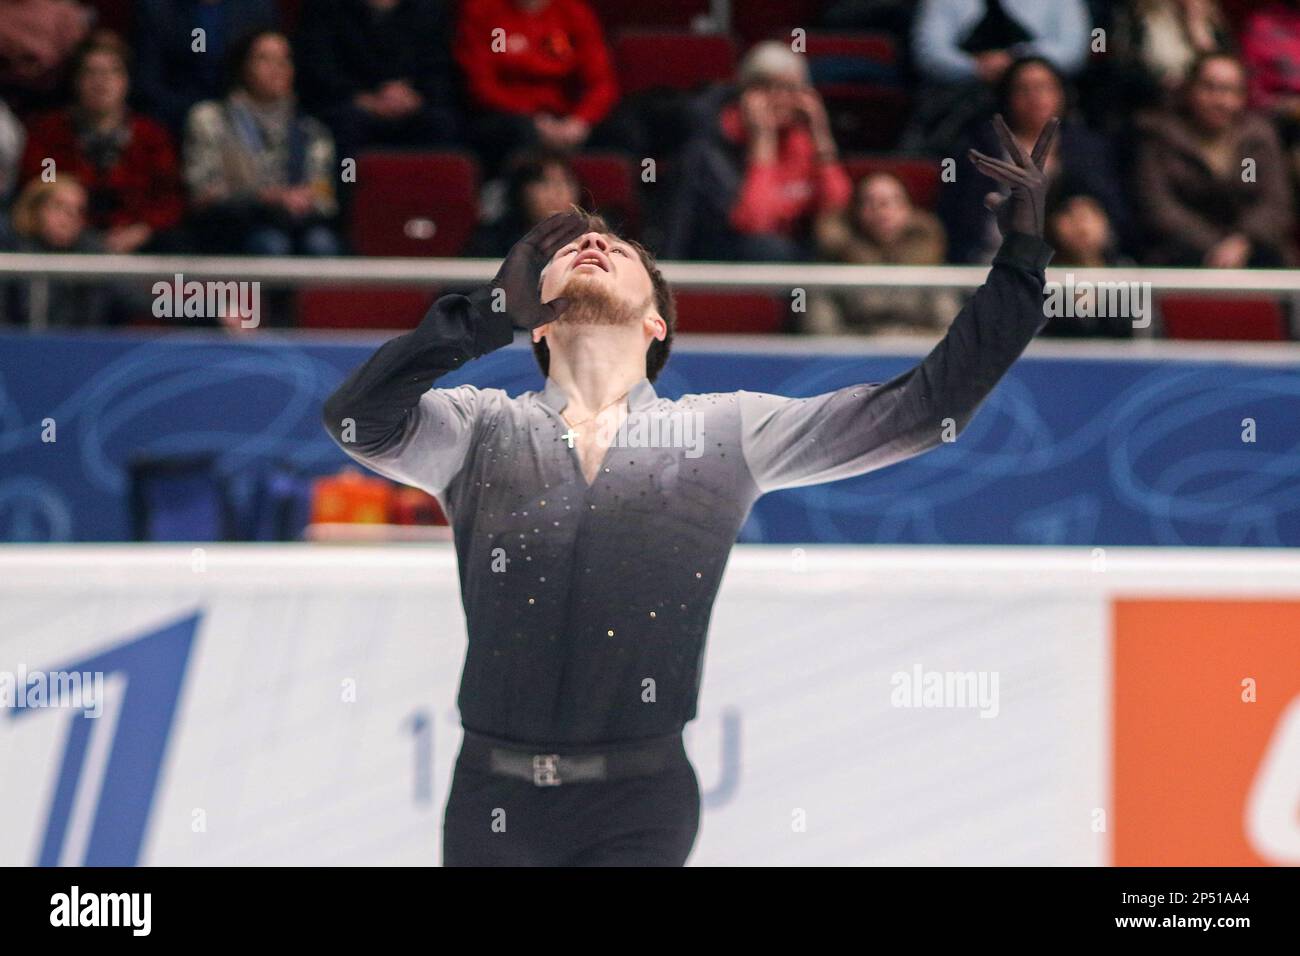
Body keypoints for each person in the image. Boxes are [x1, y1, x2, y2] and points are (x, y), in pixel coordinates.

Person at [321, 114, 1059, 867]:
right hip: (493, 800)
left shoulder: (726, 433)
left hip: (638, 806)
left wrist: (1023, 260)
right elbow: (355, 421)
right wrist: (481, 320)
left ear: (655, 322)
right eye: (572, 246)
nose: (593, 242)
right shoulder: (479, 427)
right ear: (537, 325)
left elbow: (925, 410)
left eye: (619, 247)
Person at [664, 42, 851, 262]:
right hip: (729, 263)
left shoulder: (801, 139)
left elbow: (838, 206)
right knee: (769, 249)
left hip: (793, 259)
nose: (782, 99)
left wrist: (821, 135)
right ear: (745, 93)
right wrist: (763, 144)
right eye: (768, 88)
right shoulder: (709, 150)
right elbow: (756, 224)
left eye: (792, 89)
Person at [942, 56, 1130, 263]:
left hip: (1072, 264)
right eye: (1023, 89)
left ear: (1061, 94)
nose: (1035, 97)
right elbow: (957, 217)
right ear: (1007, 96)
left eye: (1044, 87)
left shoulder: (1088, 149)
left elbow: (1114, 211)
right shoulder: (979, 148)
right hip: (992, 262)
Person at [21, 31, 187, 254]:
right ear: (76, 81)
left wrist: (142, 229)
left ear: (126, 81)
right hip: (64, 237)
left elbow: (170, 200)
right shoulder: (48, 132)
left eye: (112, 72)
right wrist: (66, 219)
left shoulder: (152, 136)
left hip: (137, 239)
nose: (102, 81)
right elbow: (36, 188)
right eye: (91, 72)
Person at [183, 29, 341, 256]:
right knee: (272, 244)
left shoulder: (312, 131)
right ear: (242, 67)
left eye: (284, 60)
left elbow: (324, 199)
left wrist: (304, 198)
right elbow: (202, 195)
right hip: (233, 229)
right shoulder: (209, 119)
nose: (277, 68)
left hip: (296, 226)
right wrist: (264, 198)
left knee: (321, 243)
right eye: (264, 59)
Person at [1134, 52, 1295, 267]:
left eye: (1230, 90)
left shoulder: (1258, 139)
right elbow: (1158, 206)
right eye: (1209, 88)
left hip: (1256, 254)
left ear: (1242, 96)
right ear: (1189, 90)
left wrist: (1243, 240)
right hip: (1180, 257)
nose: (1220, 100)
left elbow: (1276, 202)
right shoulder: (1159, 136)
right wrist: (1213, 246)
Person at [905, 0, 1089, 153]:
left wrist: (1015, 60)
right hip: (962, 93)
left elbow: (1073, 53)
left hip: (1035, 76)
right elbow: (928, 54)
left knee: (1037, 85)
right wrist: (976, 67)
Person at [455, 0, 621, 168]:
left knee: (619, 131)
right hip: (505, 113)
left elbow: (601, 82)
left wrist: (580, 120)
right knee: (520, 132)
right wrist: (534, 119)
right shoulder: (482, 9)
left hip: (564, 115)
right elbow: (481, 85)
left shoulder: (573, 11)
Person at [296, 0, 460, 159]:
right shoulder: (326, 6)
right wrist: (364, 99)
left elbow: (439, 67)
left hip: (411, 103)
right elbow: (318, 69)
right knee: (342, 127)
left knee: (442, 123)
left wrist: (415, 96)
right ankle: (348, 182)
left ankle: (431, 187)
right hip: (351, 103)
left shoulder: (428, 7)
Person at [807, 172, 958, 335]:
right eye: (870, 202)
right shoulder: (832, 262)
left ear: (909, 210)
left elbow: (947, 326)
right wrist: (872, 340)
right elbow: (819, 330)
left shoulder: (932, 263)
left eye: (893, 201)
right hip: (851, 357)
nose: (883, 210)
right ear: (855, 211)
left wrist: (906, 339)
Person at [133, 0, 279, 133]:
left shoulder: (257, 7)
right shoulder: (157, 10)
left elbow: (271, 70)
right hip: (177, 122)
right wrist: (197, 115)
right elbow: (148, 84)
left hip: (248, 122)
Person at [1, 176, 115, 326]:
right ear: (36, 209)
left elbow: (134, 297)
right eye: (59, 207)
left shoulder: (92, 251)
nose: (69, 218)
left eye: (78, 210)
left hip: (77, 346)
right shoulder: (9, 246)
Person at [466, 151, 582, 258]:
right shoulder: (491, 242)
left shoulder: (590, 240)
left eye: (566, 182)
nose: (558, 191)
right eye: (544, 182)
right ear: (521, 191)